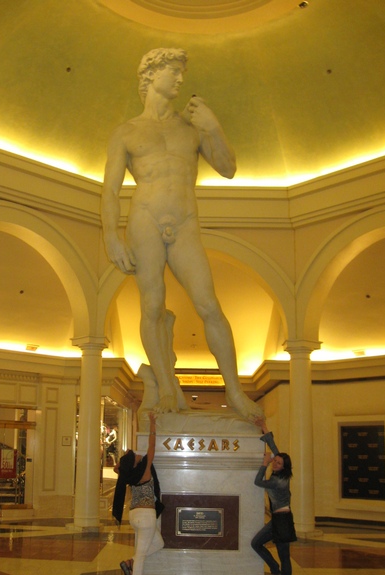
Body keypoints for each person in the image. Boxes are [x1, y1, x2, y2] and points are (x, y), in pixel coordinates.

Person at [101, 47, 264, 423]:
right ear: (150, 75)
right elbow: (109, 190)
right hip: (145, 220)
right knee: (152, 306)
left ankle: (235, 392)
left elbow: (228, 168)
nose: (179, 79)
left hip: (186, 222)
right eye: (172, 72)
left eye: (180, 73)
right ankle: (165, 387)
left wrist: (214, 127)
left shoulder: (191, 128)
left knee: (209, 305)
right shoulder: (127, 132)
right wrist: (111, 236)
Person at [112, 412, 164, 575]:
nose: (138, 454)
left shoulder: (129, 475)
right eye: (135, 456)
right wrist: (152, 424)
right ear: (135, 462)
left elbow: (118, 468)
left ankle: (130, 562)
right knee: (141, 554)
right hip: (147, 516)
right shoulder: (145, 470)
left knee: (159, 543)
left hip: (134, 515)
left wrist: (124, 462)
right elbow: (152, 446)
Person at [251, 423, 295, 575]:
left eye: (278, 463)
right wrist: (264, 427)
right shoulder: (281, 474)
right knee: (256, 543)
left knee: (285, 558)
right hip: (277, 519)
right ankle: (275, 571)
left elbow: (257, 482)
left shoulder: (278, 482)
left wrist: (264, 464)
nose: (275, 463)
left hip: (282, 520)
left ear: (284, 467)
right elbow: (275, 449)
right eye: (275, 461)